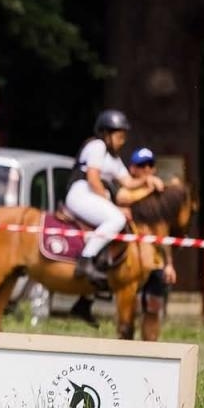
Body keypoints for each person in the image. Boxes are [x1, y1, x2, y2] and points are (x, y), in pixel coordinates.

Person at [65, 109, 160, 287]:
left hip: (91, 196)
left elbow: (129, 182)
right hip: (80, 193)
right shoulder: (97, 146)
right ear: (106, 133)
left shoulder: (114, 158)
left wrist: (148, 180)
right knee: (117, 218)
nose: (122, 141)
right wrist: (113, 205)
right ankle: (85, 260)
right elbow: (93, 179)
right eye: (120, 136)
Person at [117, 146, 176, 334]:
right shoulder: (127, 188)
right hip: (131, 264)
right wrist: (148, 187)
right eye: (142, 165)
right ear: (132, 169)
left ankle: (151, 354)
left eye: (150, 165)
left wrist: (169, 264)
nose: (147, 169)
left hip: (155, 264)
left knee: (153, 311)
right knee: (128, 313)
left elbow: (163, 231)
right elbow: (122, 198)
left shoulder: (159, 195)